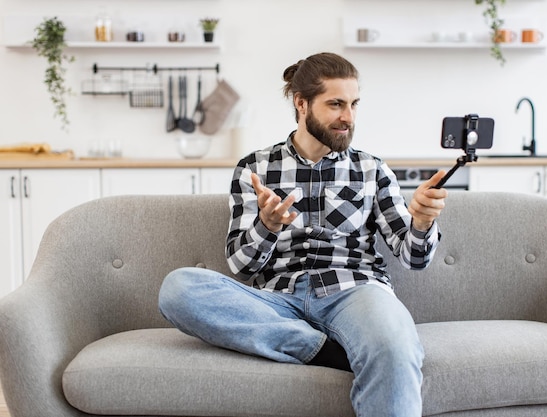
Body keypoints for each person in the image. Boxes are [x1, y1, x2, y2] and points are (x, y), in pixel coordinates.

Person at [159, 52, 448, 417]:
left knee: (395, 346)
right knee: (178, 288)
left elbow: (414, 259)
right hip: (278, 302)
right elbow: (240, 267)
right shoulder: (255, 167)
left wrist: (421, 222)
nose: (349, 117)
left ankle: (346, 345)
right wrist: (267, 226)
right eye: (336, 104)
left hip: (354, 292)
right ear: (301, 103)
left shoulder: (372, 169)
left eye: (354, 104)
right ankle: (322, 350)